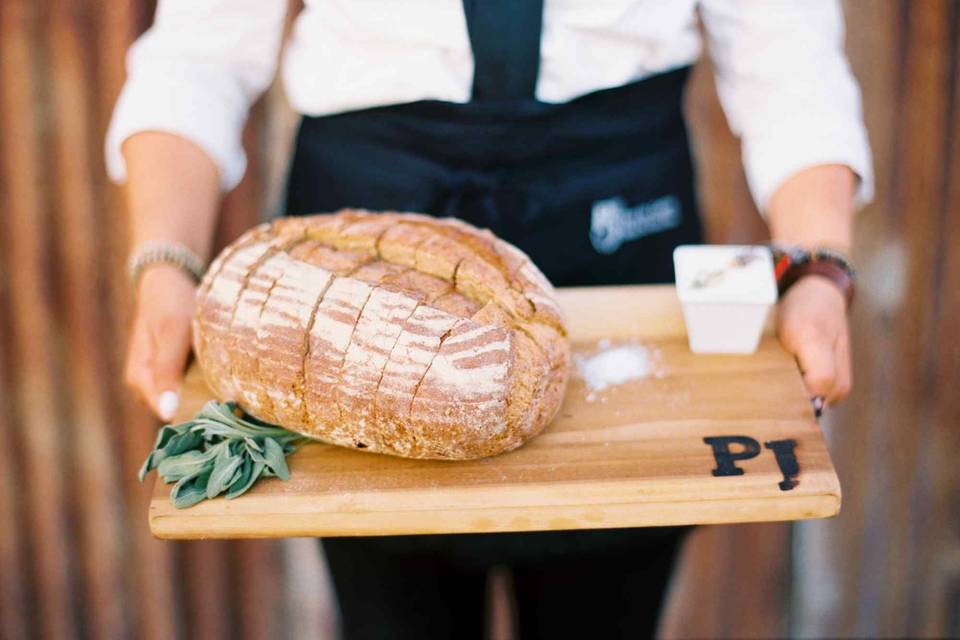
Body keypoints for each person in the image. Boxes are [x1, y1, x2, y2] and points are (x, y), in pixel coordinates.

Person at [110, 1, 872, 637]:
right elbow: (198, 55)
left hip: (618, 208)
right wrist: (165, 264)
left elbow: (787, 54)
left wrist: (817, 265)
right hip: (356, 256)